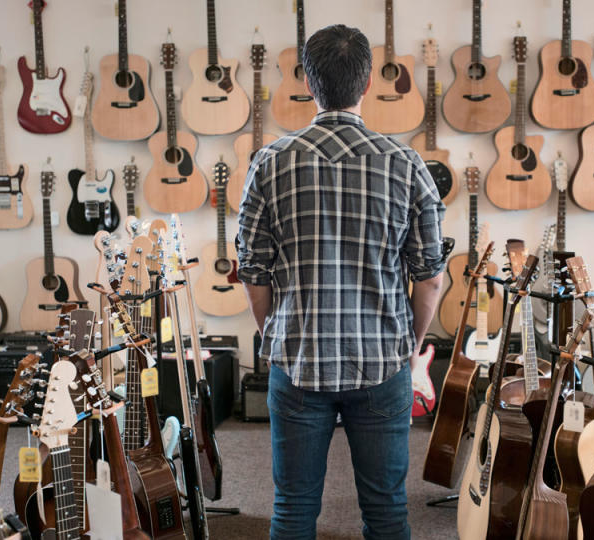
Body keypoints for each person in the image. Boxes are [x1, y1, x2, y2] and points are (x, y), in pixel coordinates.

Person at [235, 24, 445, 540]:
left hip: (299, 363)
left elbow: (253, 273)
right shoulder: (406, 164)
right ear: (368, 82)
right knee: (387, 510)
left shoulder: (268, 164)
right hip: (382, 363)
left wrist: (274, 334)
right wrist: (410, 344)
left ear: (307, 80)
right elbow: (431, 279)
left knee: (292, 508)